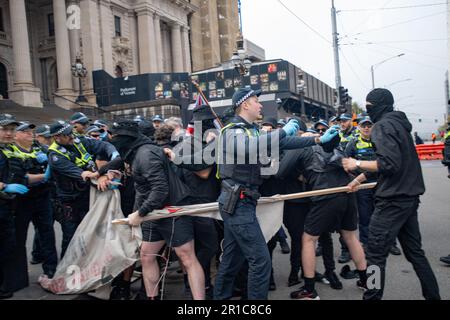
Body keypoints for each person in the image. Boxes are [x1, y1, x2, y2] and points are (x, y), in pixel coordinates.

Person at [213, 87, 340, 300]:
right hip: (237, 203)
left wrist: (318, 140)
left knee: (232, 261)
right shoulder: (232, 131)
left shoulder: (251, 130)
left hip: (242, 202)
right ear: (245, 104)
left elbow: (284, 142)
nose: (260, 105)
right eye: (256, 100)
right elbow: (248, 148)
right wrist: (282, 132)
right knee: (260, 261)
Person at [342, 88, 441, 300]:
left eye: (369, 106)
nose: (368, 110)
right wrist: (357, 180)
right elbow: (392, 165)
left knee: (375, 256)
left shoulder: (383, 126)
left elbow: (389, 164)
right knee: (416, 254)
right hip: (408, 199)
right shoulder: (399, 125)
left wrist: (356, 163)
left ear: (379, 105)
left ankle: (372, 297)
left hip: (391, 202)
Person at [110, 121, 205, 300]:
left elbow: (160, 190)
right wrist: (103, 172)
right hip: (153, 213)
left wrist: (139, 213)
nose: (111, 140)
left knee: (187, 258)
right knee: (147, 256)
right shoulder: (137, 151)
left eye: (115, 137)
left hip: (171, 211)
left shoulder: (145, 155)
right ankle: (152, 297)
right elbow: (119, 164)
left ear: (125, 139)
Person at [47, 120, 119, 257]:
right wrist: (96, 175)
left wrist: (114, 155)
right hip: (70, 202)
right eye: (67, 135)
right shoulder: (54, 156)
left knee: (90, 232)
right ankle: (65, 271)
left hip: (86, 196)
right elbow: (78, 173)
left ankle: (86, 267)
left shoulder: (78, 141)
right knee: (71, 236)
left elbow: (103, 145)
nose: (72, 137)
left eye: (71, 132)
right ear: (57, 138)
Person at [0, 114, 29, 299]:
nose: (9, 133)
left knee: (7, 248)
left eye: (12, 129)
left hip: (8, 207)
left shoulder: (8, 150)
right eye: (5, 129)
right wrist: (3, 186)